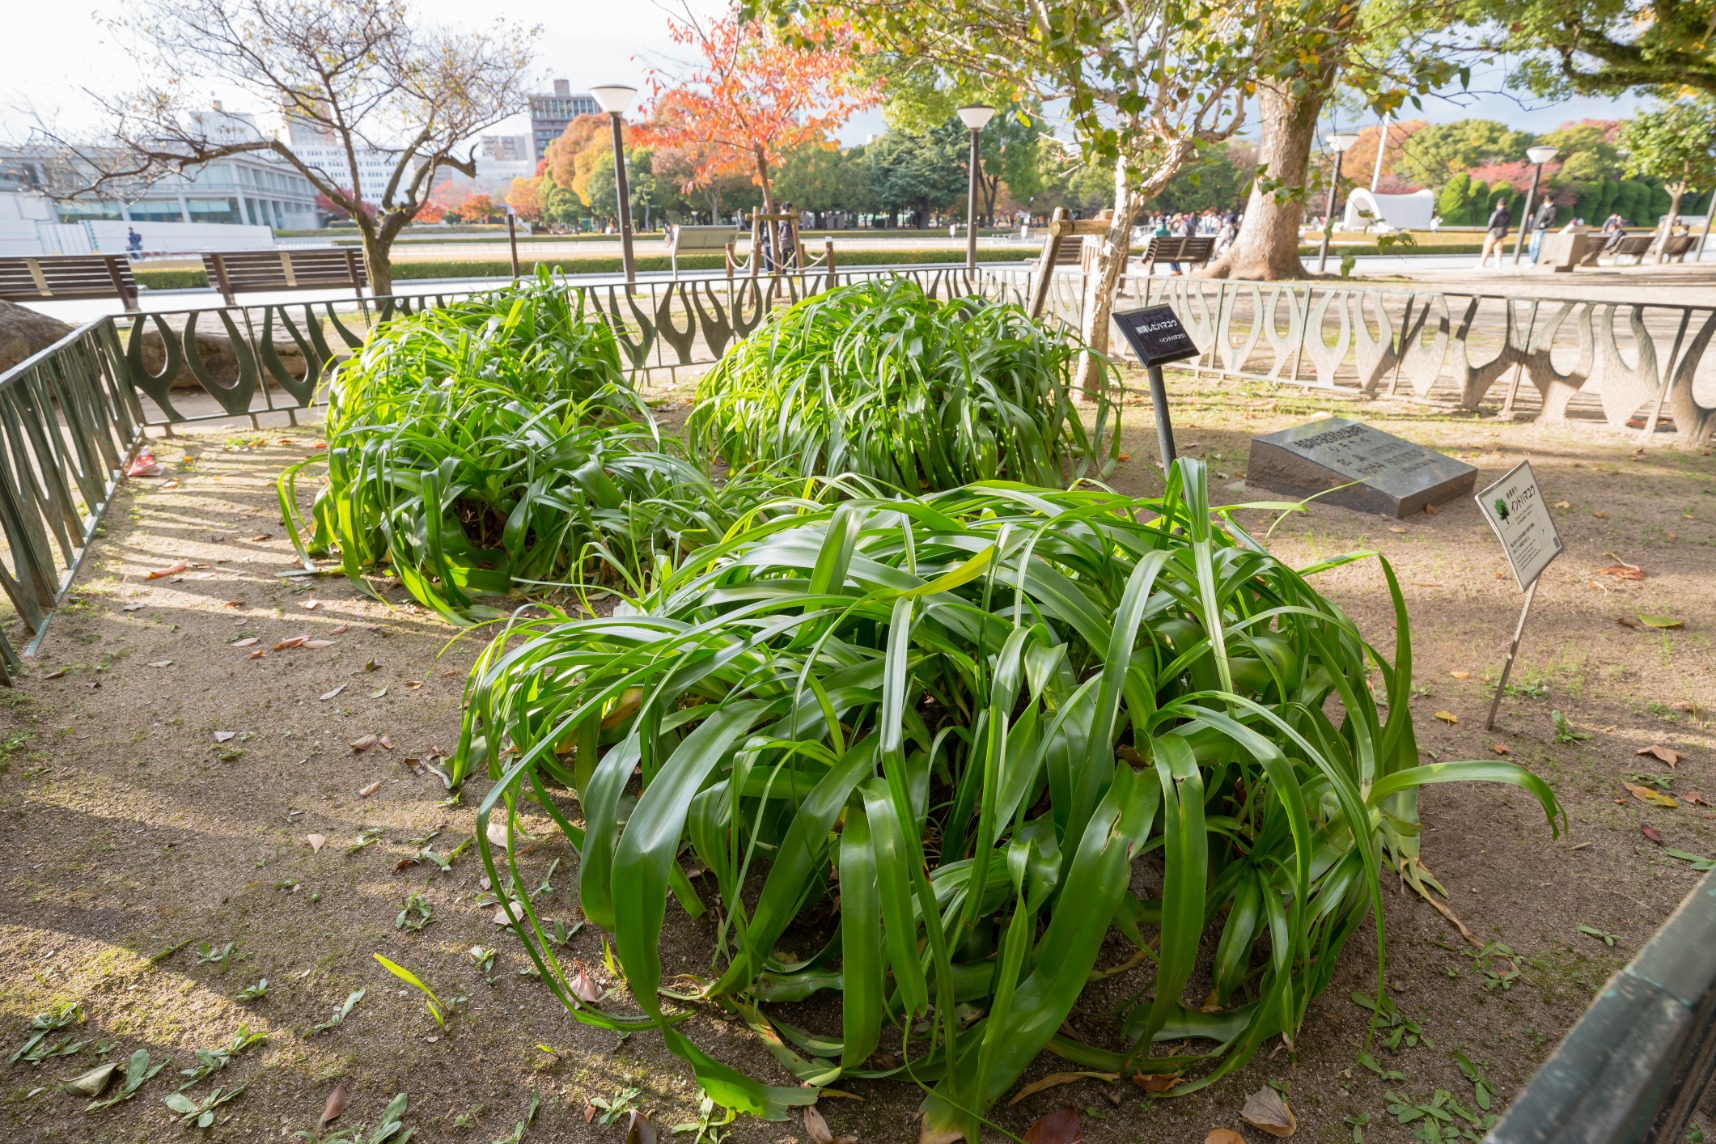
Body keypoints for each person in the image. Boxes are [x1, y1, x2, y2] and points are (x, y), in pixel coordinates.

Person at [1476, 198, 1512, 269]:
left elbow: (1491, 223)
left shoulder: (1496, 213)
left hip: (1494, 232)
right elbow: (1509, 224)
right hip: (1502, 232)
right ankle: (1498, 263)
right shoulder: (1508, 214)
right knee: (1498, 248)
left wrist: (1488, 231)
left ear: (1498, 204)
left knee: (1487, 248)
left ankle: (1482, 264)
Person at [1528, 198, 1557, 262]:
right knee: (1531, 246)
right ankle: (1532, 260)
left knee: (1537, 246)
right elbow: (1538, 216)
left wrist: (1545, 224)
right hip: (1535, 228)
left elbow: (1551, 220)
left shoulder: (1553, 209)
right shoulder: (1541, 207)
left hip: (1542, 229)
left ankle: (1534, 261)